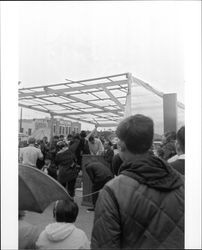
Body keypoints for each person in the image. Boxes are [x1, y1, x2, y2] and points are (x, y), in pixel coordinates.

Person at [91, 114, 184, 249]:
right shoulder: (183, 182)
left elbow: (104, 244)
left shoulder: (113, 191)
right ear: (150, 143)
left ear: (121, 145)